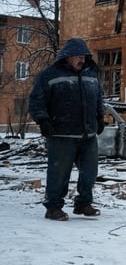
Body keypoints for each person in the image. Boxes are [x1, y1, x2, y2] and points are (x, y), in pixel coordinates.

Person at [29, 38, 106, 221]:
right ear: (67, 57)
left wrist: (100, 116)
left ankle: (83, 203)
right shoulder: (49, 74)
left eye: (84, 56)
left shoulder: (91, 73)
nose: (82, 60)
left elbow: (98, 97)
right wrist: (42, 120)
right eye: (78, 56)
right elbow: (36, 99)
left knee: (90, 171)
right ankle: (53, 207)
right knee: (59, 172)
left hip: (88, 133)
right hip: (61, 133)